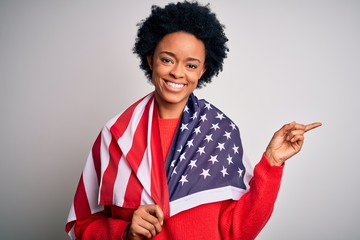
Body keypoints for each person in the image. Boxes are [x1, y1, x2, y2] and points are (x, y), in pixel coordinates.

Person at [65, 1, 321, 239]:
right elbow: (82, 224)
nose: (177, 72)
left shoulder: (221, 131)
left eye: (190, 65)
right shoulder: (117, 135)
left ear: (203, 70)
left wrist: (272, 163)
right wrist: (124, 232)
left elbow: (238, 231)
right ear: (150, 59)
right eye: (167, 59)